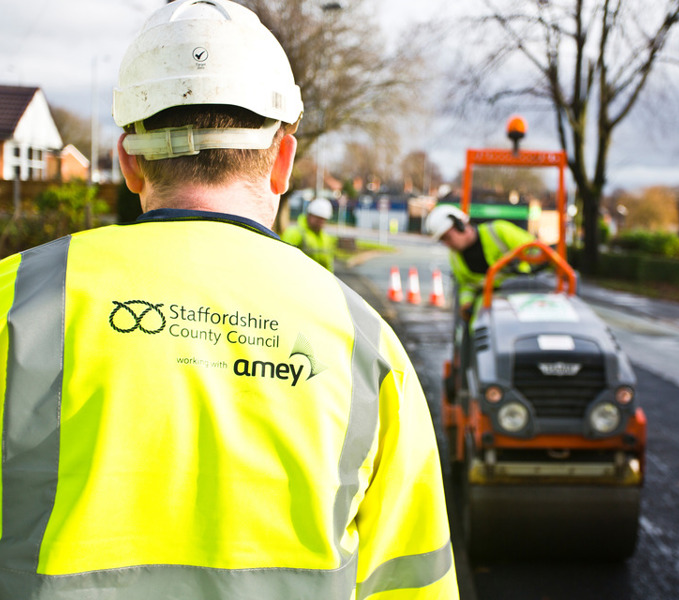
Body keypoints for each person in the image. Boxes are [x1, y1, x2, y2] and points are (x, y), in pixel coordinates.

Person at [0, 1, 457, 598]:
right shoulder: (367, 348)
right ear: (283, 161)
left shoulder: (15, 301)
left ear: (129, 163)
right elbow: (413, 581)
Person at [425, 204, 535, 320]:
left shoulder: (498, 231)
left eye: (447, 237)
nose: (447, 244)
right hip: (489, 305)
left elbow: (538, 251)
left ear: (460, 225)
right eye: (442, 240)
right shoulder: (455, 258)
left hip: (524, 294)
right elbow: (466, 285)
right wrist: (466, 303)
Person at [282, 197, 337, 271]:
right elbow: (285, 259)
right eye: (318, 218)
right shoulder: (295, 233)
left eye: (323, 219)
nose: (320, 221)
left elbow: (328, 263)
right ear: (309, 215)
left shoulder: (326, 238)